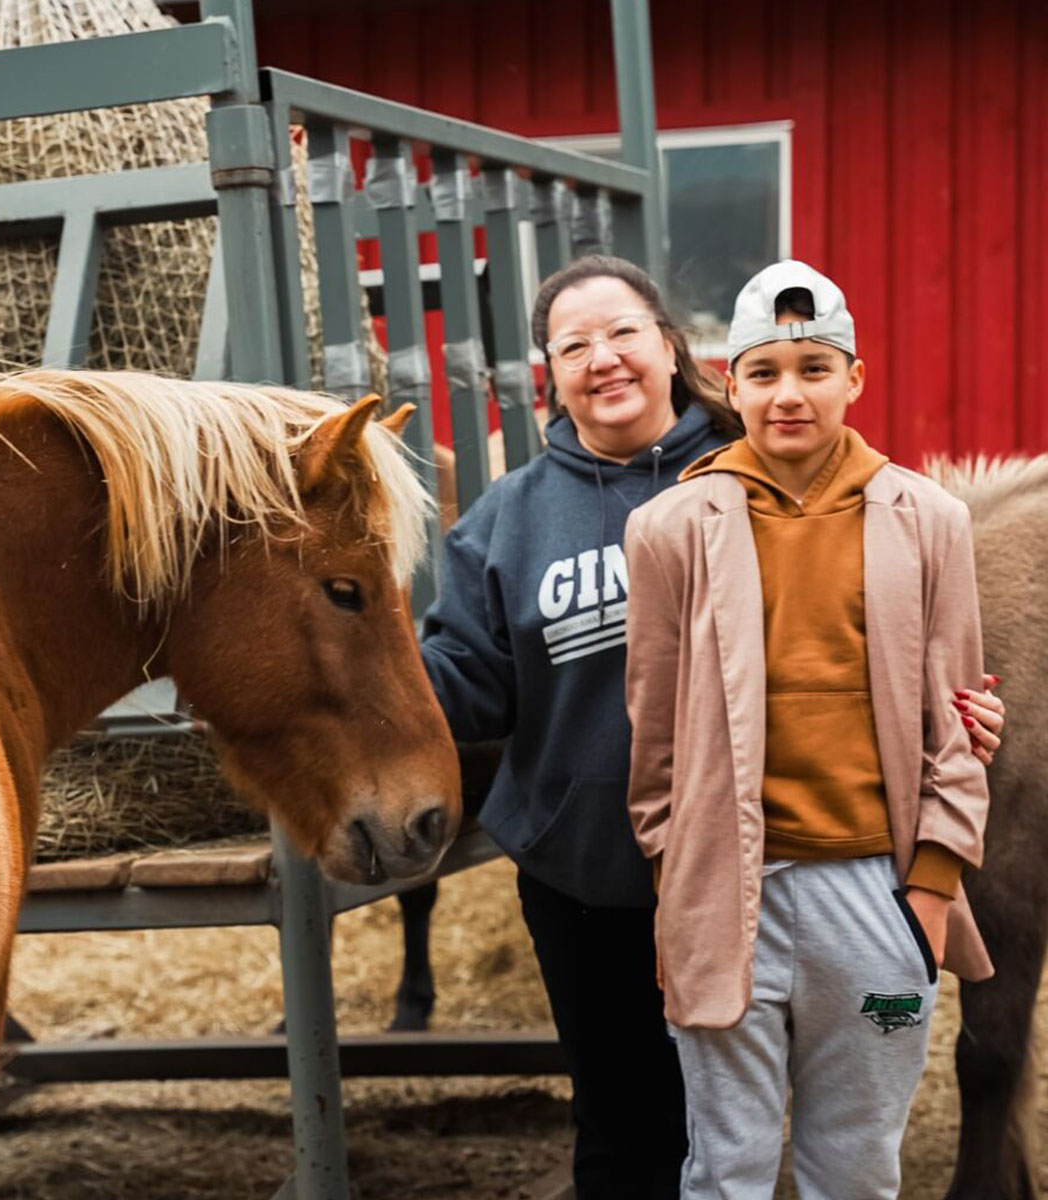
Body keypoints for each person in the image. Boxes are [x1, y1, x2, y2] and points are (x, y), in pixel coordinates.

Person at [419, 254, 1004, 1199]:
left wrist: (930, 886)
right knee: (660, 1139)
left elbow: (929, 686)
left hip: (845, 873)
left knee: (849, 1151)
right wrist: (366, 682)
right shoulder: (548, 521)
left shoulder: (866, 497)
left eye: (623, 333)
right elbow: (531, 699)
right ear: (548, 376)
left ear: (673, 349)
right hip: (629, 880)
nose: (603, 358)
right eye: (574, 346)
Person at [624, 259, 992, 1198]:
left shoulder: (930, 520)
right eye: (764, 372)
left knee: (857, 1161)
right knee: (728, 1163)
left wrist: (929, 895)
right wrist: (673, 885)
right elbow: (653, 738)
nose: (789, 393)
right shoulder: (669, 528)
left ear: (854, 379)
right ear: (732, 384)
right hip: (724, 891)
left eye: (815, 368)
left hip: (875, 889)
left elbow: (955, 729)